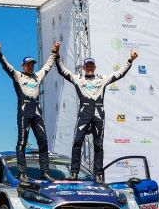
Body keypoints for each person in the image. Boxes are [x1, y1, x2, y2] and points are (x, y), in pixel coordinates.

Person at [54, 43, 137, 183]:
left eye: (91, 65)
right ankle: (74, 172)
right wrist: (56, 55)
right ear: (84, 67)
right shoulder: (78, 79)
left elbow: (119, 74)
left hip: (98, 113)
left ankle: (98, 174)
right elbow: (62, 71)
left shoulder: (102, 79)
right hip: (84, 112)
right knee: (77, 142)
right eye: (87, 66)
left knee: (98, 145)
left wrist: (130, 60)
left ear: (95, 67)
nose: (89, 68)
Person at [0, 42, 58, 184]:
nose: (30, 66)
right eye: (28, 64)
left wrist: (54, 53)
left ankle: (45, 172)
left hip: (36, 112)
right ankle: (22, 172)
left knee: (43, 141)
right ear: (23, 66)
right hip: (24, 112)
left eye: (32, 64)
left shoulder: (37, 76)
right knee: (22, 142)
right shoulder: (18, 75)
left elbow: (47, 66)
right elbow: (6, 66)